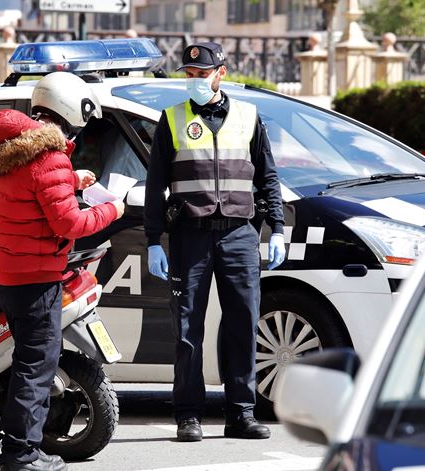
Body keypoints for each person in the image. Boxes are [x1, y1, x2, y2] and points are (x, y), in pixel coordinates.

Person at [0, 71, 125, 471]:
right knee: (36, 365)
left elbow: (29, 191)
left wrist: (72, 179)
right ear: (69, 110)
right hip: (36, 275)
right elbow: (70, 225)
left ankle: (28, 447)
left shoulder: (12, 149)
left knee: (30, 360)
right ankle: (21, 454)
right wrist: (112, 209)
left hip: (11, 269)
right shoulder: (48, 157)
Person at [143, 42, 286, 442]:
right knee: (187, 329)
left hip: (240, 234)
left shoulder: (248, 116)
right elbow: (155, 185)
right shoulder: (171, 120)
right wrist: (154, 239)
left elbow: (268, 178)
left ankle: (241, 413)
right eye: (188, 75)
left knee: (243, 324)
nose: (193, 82)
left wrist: (277, 227)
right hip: (190, 235)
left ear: (220, 73)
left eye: (200, 75)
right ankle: (188, 414)